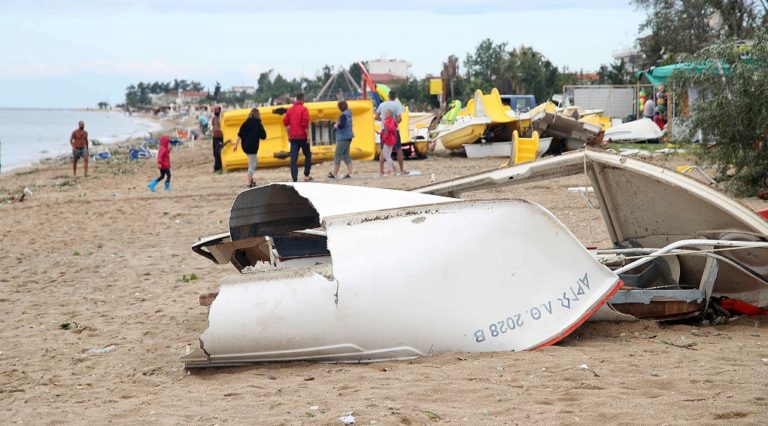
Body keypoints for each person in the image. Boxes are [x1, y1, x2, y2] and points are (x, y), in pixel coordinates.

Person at [375, 90, 408, 175]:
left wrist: (383, 121)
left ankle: (381, 171)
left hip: (384, 130)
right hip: (394, 131)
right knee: (398, 149)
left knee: (383, 150)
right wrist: (396, 122)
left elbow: (376, 117)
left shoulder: (382, 105)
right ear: (395, 96)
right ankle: (401, 170)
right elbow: (398, 119)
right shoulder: (397, 105)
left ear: (388, 96)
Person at [233, 108, 267, 188]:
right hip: (252, 147)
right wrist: (261, 126)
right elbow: (263, 136)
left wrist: (235, 145)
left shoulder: (246, 123)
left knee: (254, 162)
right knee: (253, 165)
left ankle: (251, 179)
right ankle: (249, 182)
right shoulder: (258, 123)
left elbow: (240, 134)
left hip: (245, 147)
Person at [283, 93, 312, 182]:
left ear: (296, 99)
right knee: (307, 155)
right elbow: (305, 123)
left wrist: (288, 135)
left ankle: (294, 178)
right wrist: (308, 135)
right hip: (303, 136)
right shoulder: (304, 109)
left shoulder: (290, 110)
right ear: (302, 99)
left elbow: (285, 123)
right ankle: (306, 175)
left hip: (294, 137)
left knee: (293, 158)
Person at [328, 100, 354, 179]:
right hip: (348, 137)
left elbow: (342, 125)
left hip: (343, 137)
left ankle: (335, 173)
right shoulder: (349, 114)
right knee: (346, 155)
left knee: (337, 155)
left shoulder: (343, 115)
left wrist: (336, 126)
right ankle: (350, 173)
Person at [379, 110, 398, 176]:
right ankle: (393, 167)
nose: (385, 114)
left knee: (387, 155)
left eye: (387, 113)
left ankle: (390, 170)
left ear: (390, 114)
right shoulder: (387, 120)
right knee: (386, 155)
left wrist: (385, 123)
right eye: (385, 113)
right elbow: (385, 130)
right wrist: (380, 133)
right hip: (386, 139)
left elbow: (390, 128)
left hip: (389, 139)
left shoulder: (391, 120)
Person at [211, 106, 224, 174]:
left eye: (216, 110)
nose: (215, 111)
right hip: (214, 137)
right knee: (215, 153)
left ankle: (218, 168)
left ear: (219, 110)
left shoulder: (222, 118)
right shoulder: (214, 118)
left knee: (218, 152)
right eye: (214, 110)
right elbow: (213, 126)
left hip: (220, 137)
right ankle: (217, 168)